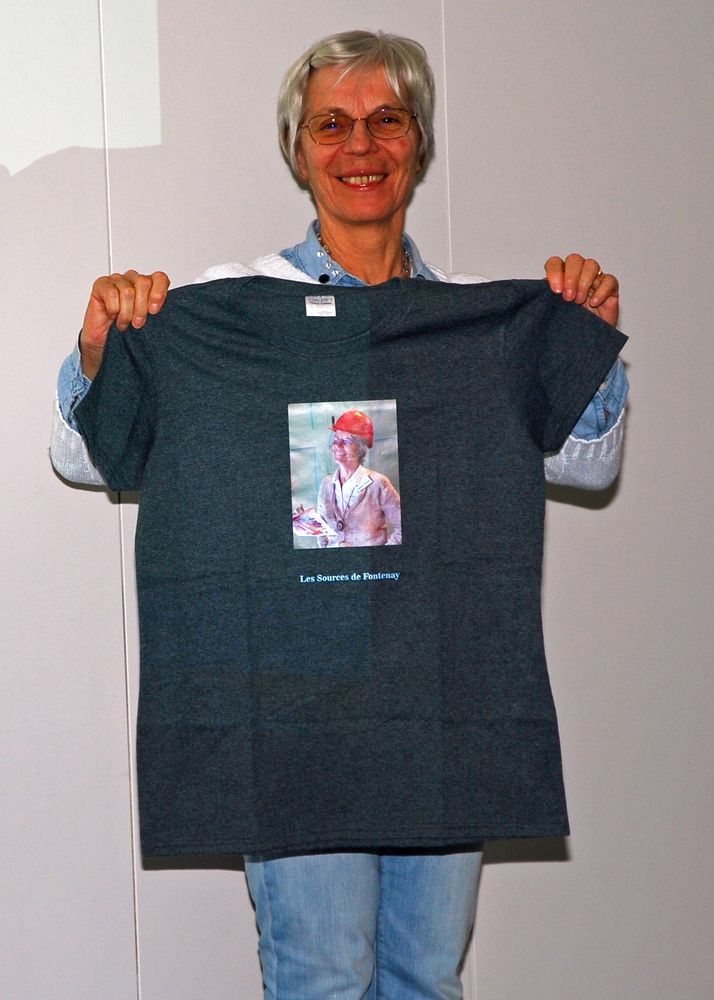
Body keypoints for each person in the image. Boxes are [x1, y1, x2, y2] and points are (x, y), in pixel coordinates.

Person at [50, 29, 628, 1000]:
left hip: (438, 695)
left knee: (425, 977)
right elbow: (84, 454)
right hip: (290, 710)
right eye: (331, 124)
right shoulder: (228, 313)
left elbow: (590, 461)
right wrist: (105, 352)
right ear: (298, 149)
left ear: (419, 142)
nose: (360, 145)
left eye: (385, 120)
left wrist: (587, 345)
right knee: (322, 977)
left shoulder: (473, 324)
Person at [316, 409, 402, 547]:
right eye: (336, 440)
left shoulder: (378, 484)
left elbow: (403, 527)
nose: (337, 446)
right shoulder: (326, 484)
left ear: (360, 447)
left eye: (346, 441)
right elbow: (320, 530)